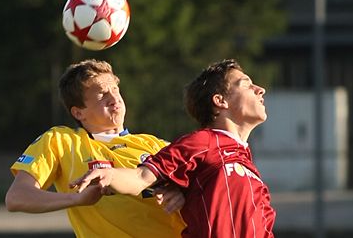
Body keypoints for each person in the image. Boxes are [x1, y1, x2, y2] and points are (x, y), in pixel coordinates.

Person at [71, 59, 276, 237]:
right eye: (246, 84)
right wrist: (110, 175)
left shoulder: (251, 171)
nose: (260, 89)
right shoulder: (201, 143)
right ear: (220, 101)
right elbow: (141, 177)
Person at [5, 59, 186, 238]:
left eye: (115, 90)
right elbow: (17, 197)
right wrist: (76, 200)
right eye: (102, 94)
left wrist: (182, 194)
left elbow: (202, 188)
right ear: (78, 112)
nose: (114, 98)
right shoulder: (62, 141)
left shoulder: (156, 144)